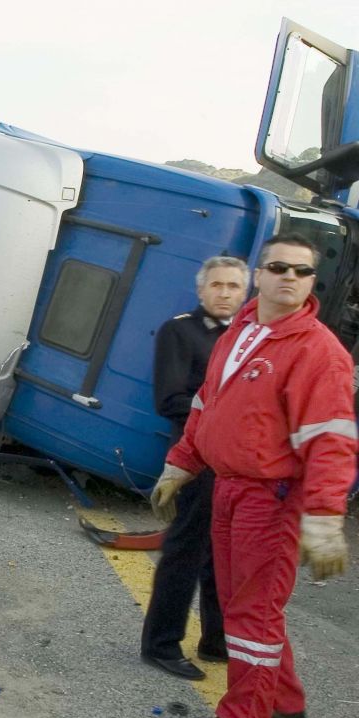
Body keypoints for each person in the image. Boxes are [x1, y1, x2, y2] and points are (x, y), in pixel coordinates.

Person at [152, 233, 355, 718]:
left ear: (312, 282)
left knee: (252, 612)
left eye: (302, 271)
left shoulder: (317, 351)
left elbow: (330, 439)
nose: (290, 277)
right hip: (229, 490)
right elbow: (206, 403)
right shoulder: (241, 332)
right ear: (259, 275)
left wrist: (326, 516)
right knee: (251, 606)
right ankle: (283, 706)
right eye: (279, 267)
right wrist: (181, 462)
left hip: (273, 499)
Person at [141, 256, 248, 680]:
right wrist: (231, 416)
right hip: (195, 459)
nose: (225, 293)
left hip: (236, 465)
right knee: (185, 552)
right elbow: (170, 400)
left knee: (225, 555)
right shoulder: (180, 330)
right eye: (217, 285)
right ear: (201, 290)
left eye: (234, 286)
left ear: (246, 292)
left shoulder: (249, 337)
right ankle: (161, 645)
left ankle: (217, 641)